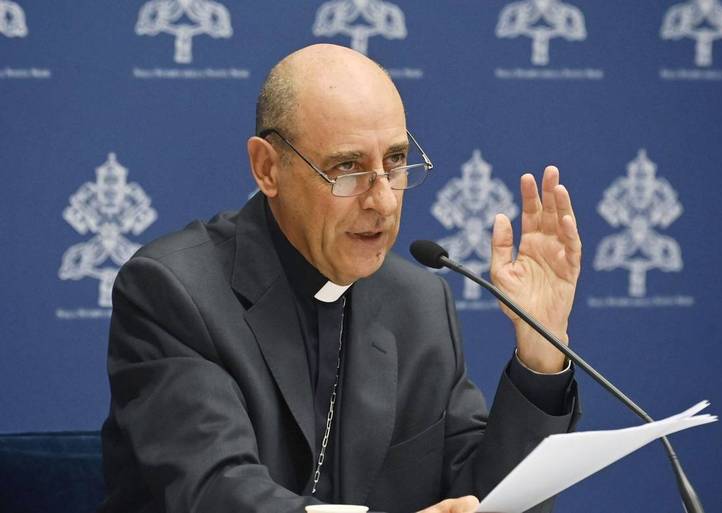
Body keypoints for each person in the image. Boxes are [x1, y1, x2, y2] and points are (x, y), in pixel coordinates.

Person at [100, 44, 582, 513]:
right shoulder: (176, 291)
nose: (384, 202)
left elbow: (481, 497)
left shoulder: (418, 301)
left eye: (395, 161)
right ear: (267, 168)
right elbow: (217, 492)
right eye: (347, 168)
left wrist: (541, 352)